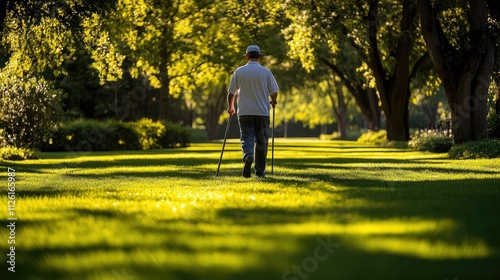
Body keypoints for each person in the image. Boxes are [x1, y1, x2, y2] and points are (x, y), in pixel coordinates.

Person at [227, 45, 279, 178]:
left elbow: (231, 92)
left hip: (245, 111)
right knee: (262, 141)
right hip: (262, 112)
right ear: (259, 56)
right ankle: (260, 171)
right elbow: (274, 91)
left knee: (247, 137)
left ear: (247, 56)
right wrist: (273, 101)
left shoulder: (239, 71)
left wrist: (231, 106)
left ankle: (248, 155)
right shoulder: (266, 72)